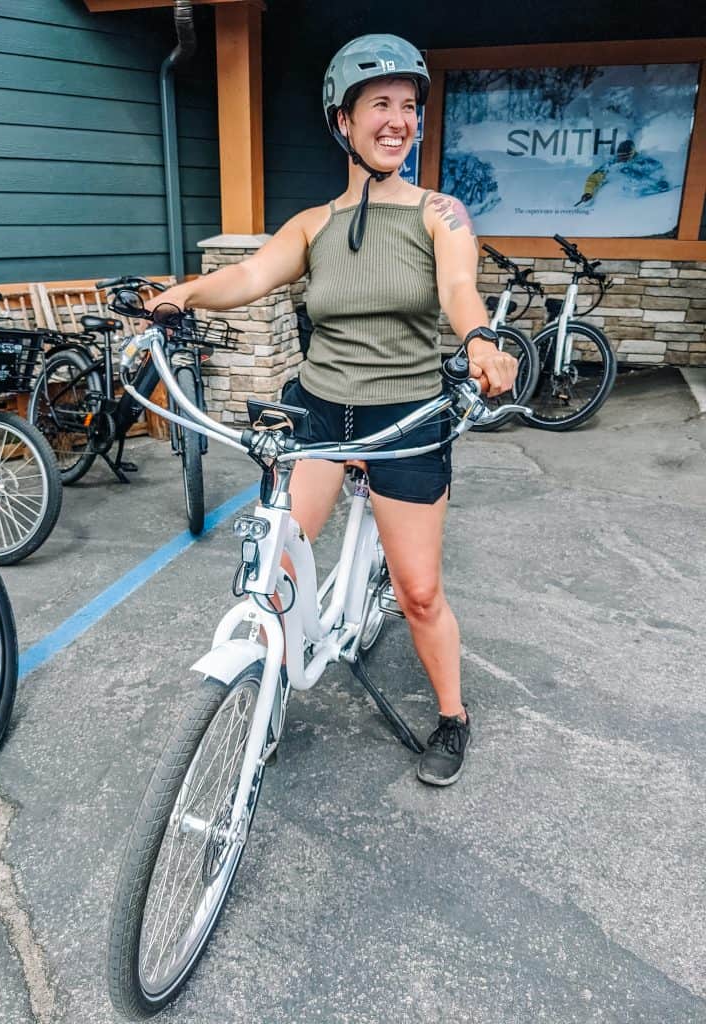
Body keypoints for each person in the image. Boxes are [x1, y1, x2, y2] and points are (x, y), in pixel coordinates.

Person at [146, 34, 517, 787]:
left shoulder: (439, 213)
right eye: (379, 104)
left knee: (418, 592)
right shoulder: (312, 223)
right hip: (317, 415)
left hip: (406, 419)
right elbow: (250, 273)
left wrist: (479, 338)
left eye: (409, 107)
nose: (398, 120)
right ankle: (266, 688)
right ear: (341, 121)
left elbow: (456, 290)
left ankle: (453, 716)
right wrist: (183, 293)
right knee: (279, 563)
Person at [575, 138, 669, 206]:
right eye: (620, 156)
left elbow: (659, 169)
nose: (622, 159)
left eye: (625, 156)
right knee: (622, 169)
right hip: (613, 201)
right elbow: (593, 178)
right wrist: (588, 192)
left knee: (627, 170)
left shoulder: (644, 162)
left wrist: (660, 181)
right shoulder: (611, 165)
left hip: (639, 199)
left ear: (633, 153)